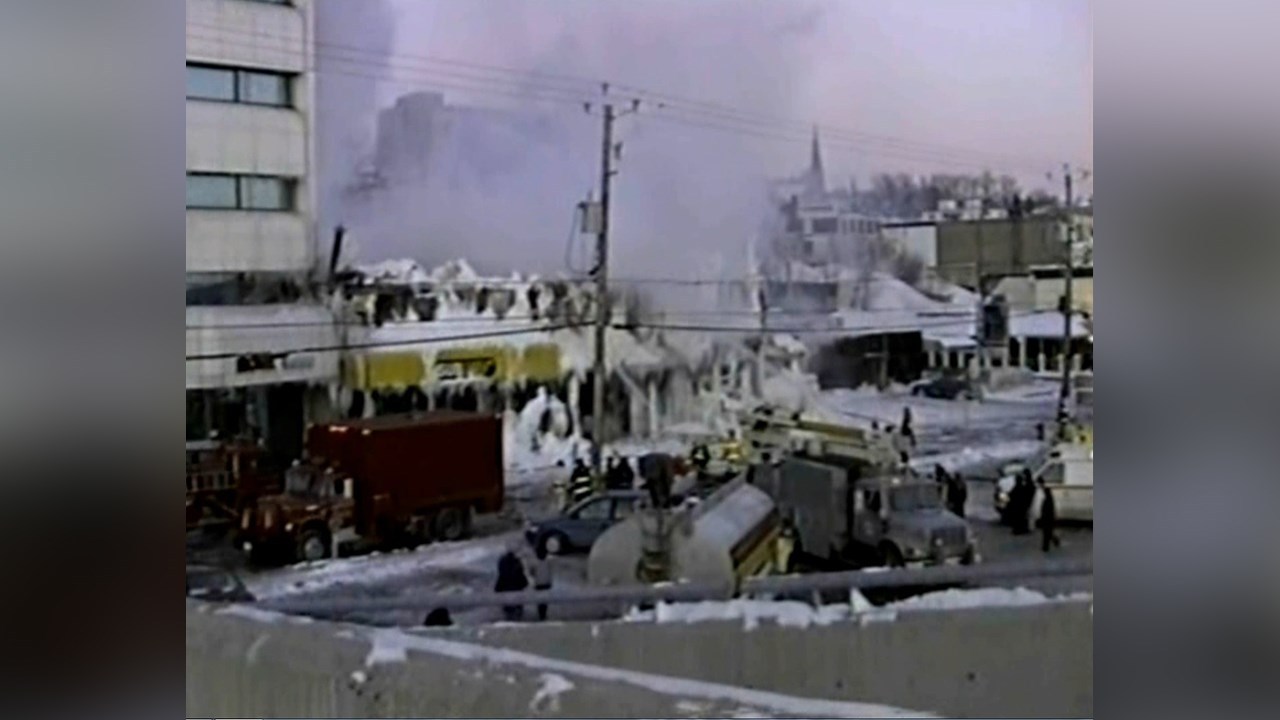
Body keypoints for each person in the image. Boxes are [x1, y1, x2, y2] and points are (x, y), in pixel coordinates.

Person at [494, 546, 529, 621]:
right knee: (517, 604)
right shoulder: (517, 563)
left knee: (508, 607)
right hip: (516, 587)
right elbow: (521, 574)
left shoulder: (504, 565)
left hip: (507, 588)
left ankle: (510, 616)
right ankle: (517, 616)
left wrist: (498, 588)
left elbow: (501, 577)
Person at [529, 544, 554, 621]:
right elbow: (550, 572)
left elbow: (531, 572)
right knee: (545, 600)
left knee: (540, 600)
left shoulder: (534, 562)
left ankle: (541, 614)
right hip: (546, 583)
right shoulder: (548, 561)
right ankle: (543, 614)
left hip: (539, 583)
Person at [1037, 479, 1061, 552]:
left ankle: (1046, 547)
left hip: (1047, 518)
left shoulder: (1046, 500)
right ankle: (1054, 541)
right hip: (1049, 518)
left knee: (1046, 533)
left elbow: (1045, 509)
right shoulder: (1049, 499)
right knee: (1048, 533)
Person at [1010, 469, 1034, 536]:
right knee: (1022, 517)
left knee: (1020, 517)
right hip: (1023, 504)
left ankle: (1019, 530)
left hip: (1021, 504)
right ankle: (1022, 529)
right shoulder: (1024, 485)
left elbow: (1011, 495)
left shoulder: (1022, 485)